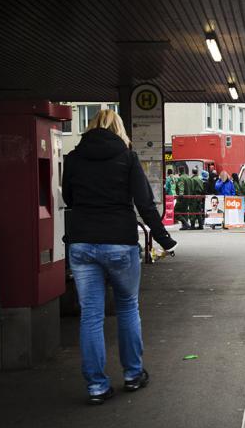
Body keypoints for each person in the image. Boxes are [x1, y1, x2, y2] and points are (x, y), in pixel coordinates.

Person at [62, 109, 177, 405]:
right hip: (119, 242)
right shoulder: (127, 158)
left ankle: (97, 387)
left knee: (91, 315)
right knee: (127, 307)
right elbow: (144, 202)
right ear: (119, 129)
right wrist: (164, 239)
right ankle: (133, 374)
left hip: (82, 243)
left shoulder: (74, 158)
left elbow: (69, 199)